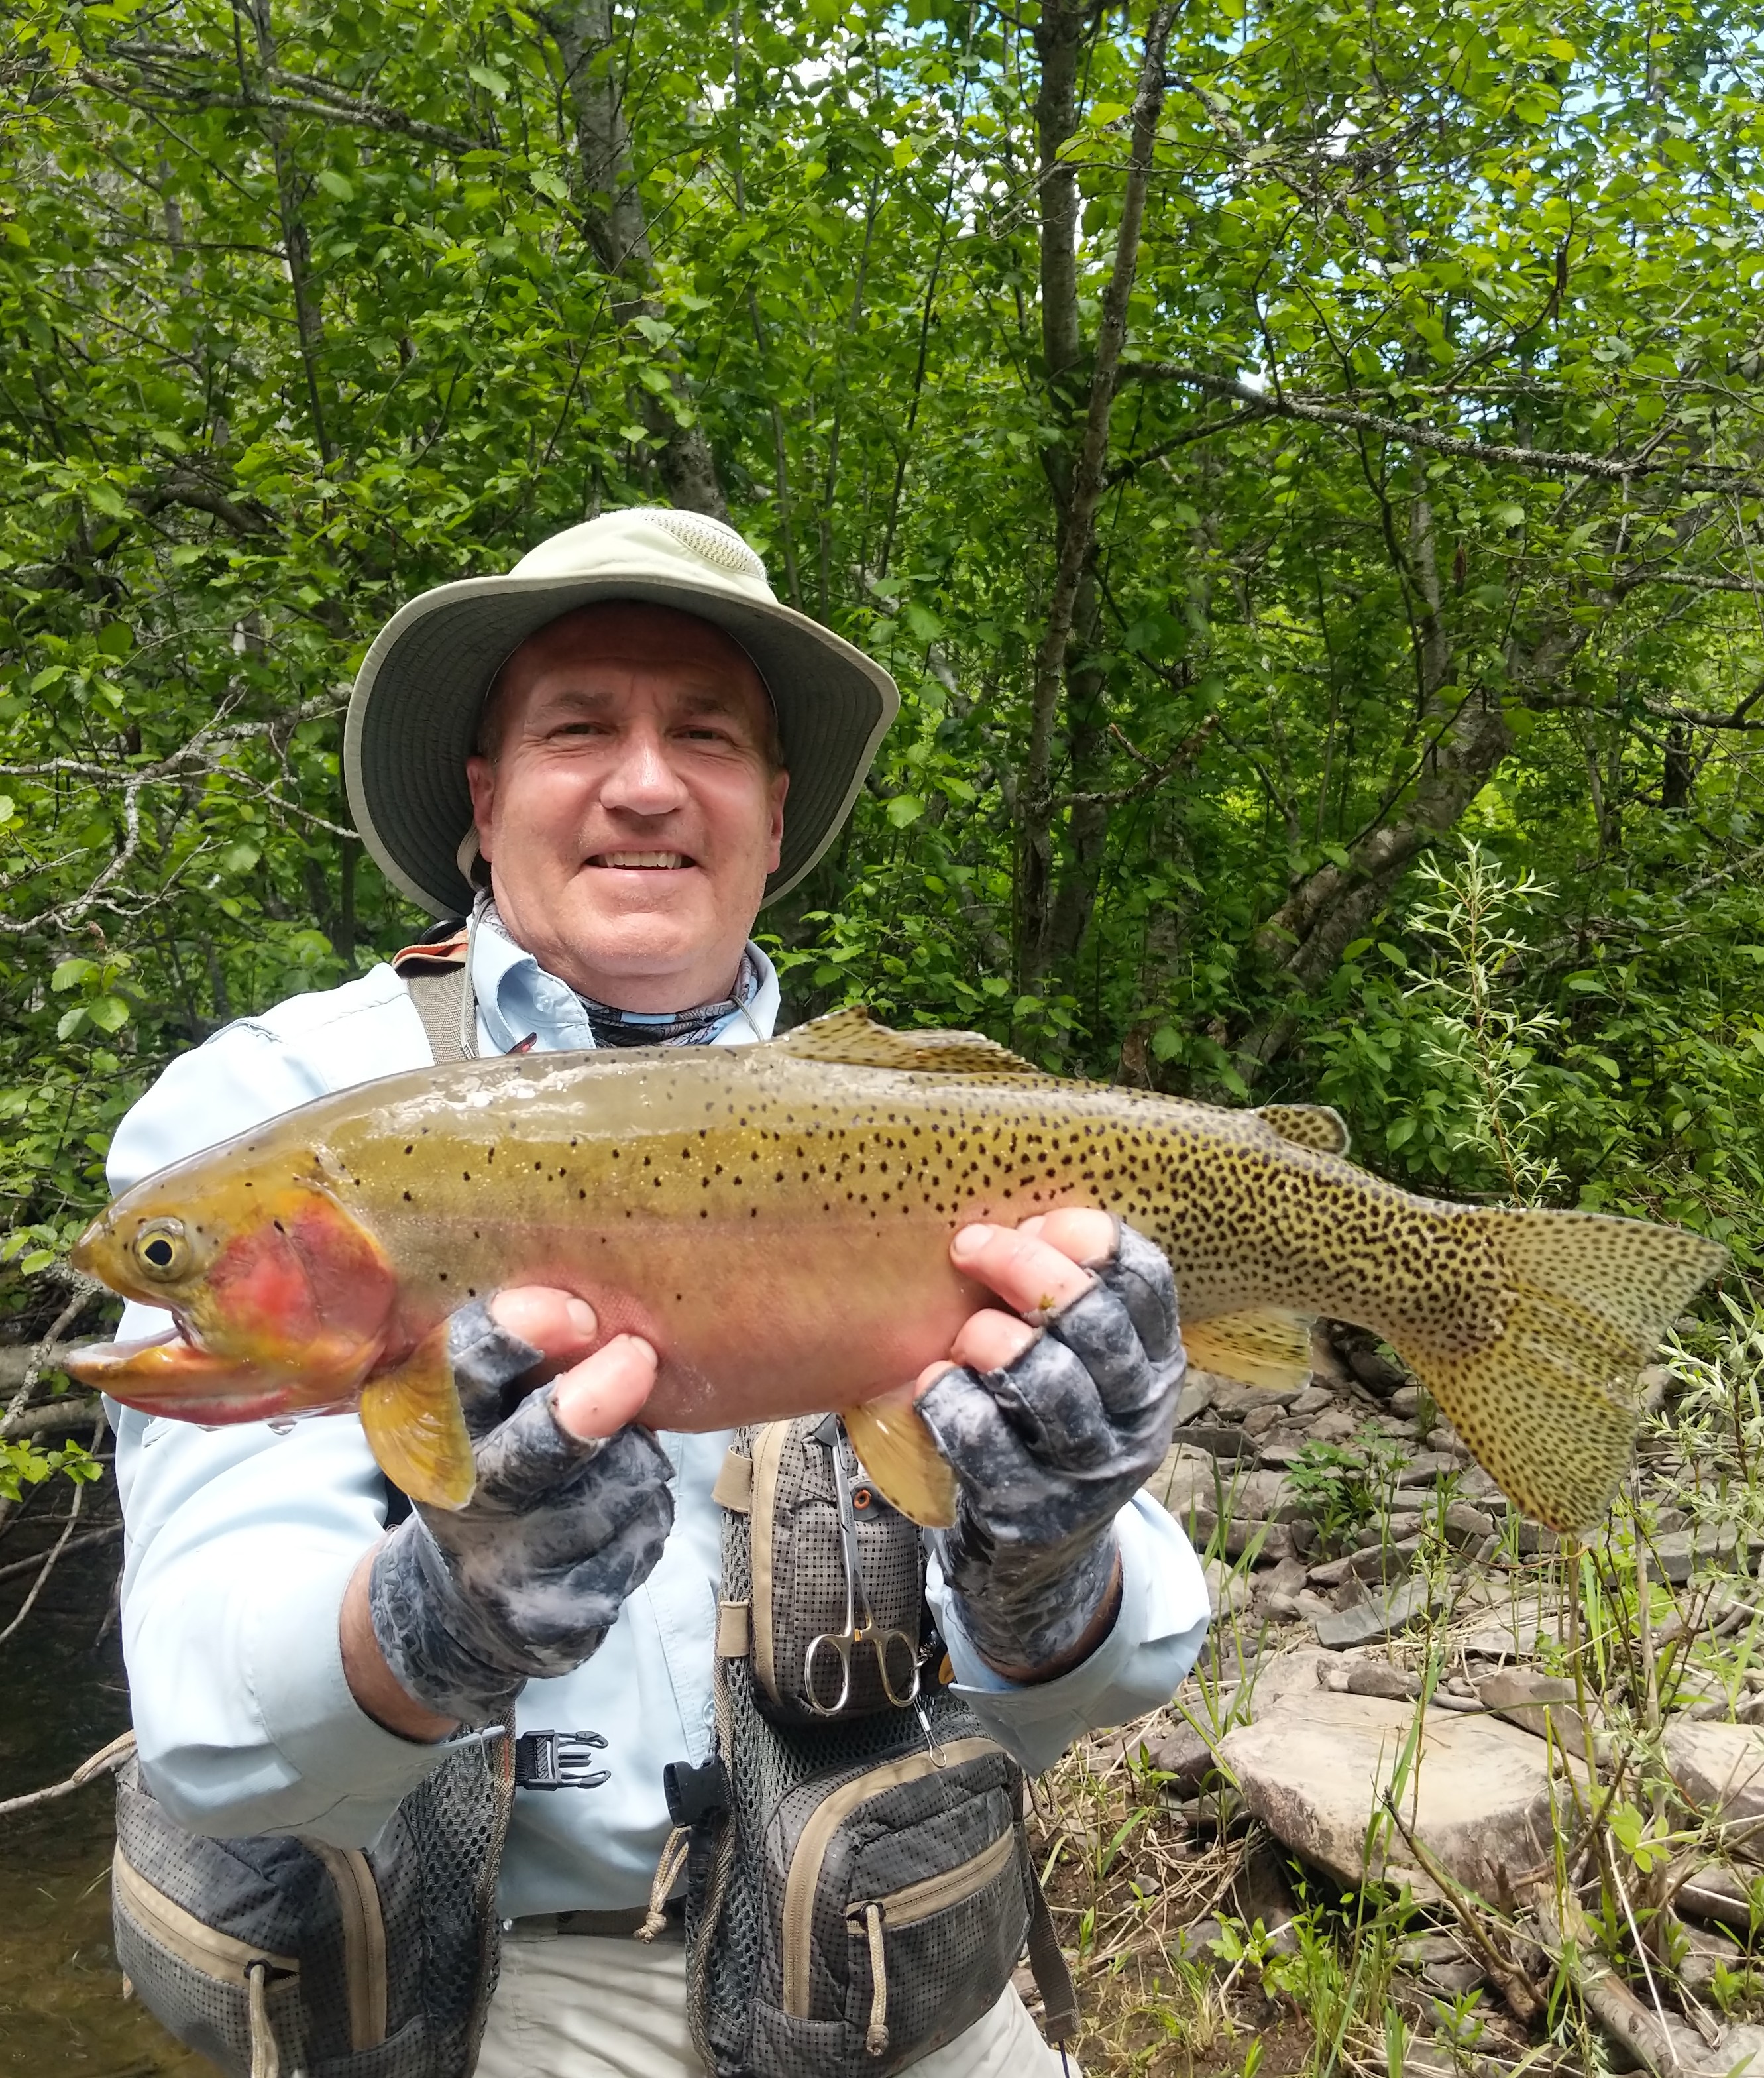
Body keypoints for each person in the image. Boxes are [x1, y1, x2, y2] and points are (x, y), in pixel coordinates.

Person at [105, 507, 1211, 2077]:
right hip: (490, 2010)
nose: (642, 779)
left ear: (770, 817)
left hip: (897, 1983)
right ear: (481, 803)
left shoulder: (918, 1128)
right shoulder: (271, 1115)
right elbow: (212, 1715)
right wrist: (434, 1615)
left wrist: (1049, 1565)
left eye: (703, 735)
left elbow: (1093, 1681)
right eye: (577, 729)